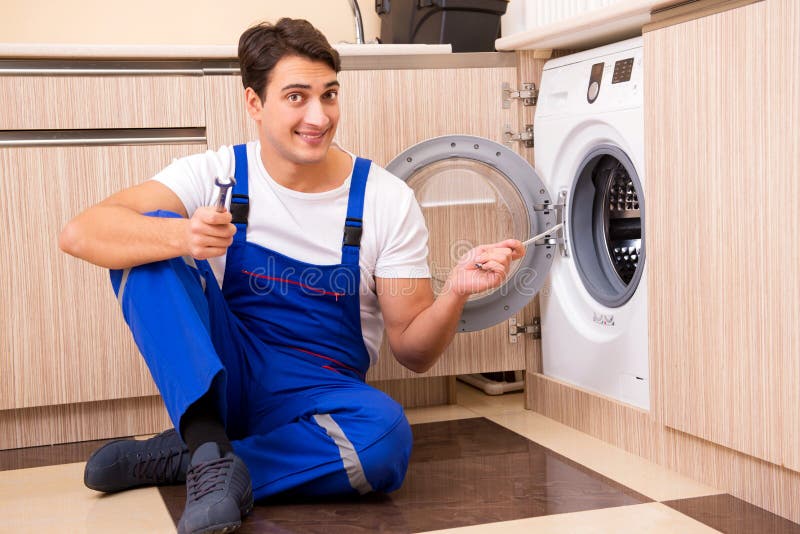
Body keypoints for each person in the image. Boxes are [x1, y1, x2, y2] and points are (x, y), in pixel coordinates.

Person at [59, 18, 523, 534]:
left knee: (386, 437)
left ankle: (200, 460)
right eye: (297, 97)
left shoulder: (385, 199)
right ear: (254, 104)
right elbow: (81, 233)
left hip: (320, 397)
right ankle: (209, 441)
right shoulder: (218, 176)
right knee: (148, 240)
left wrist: (455, 292)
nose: (319, 116)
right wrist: (181, 239)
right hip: (224, 375)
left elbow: (413, 352)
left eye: (329, 95)